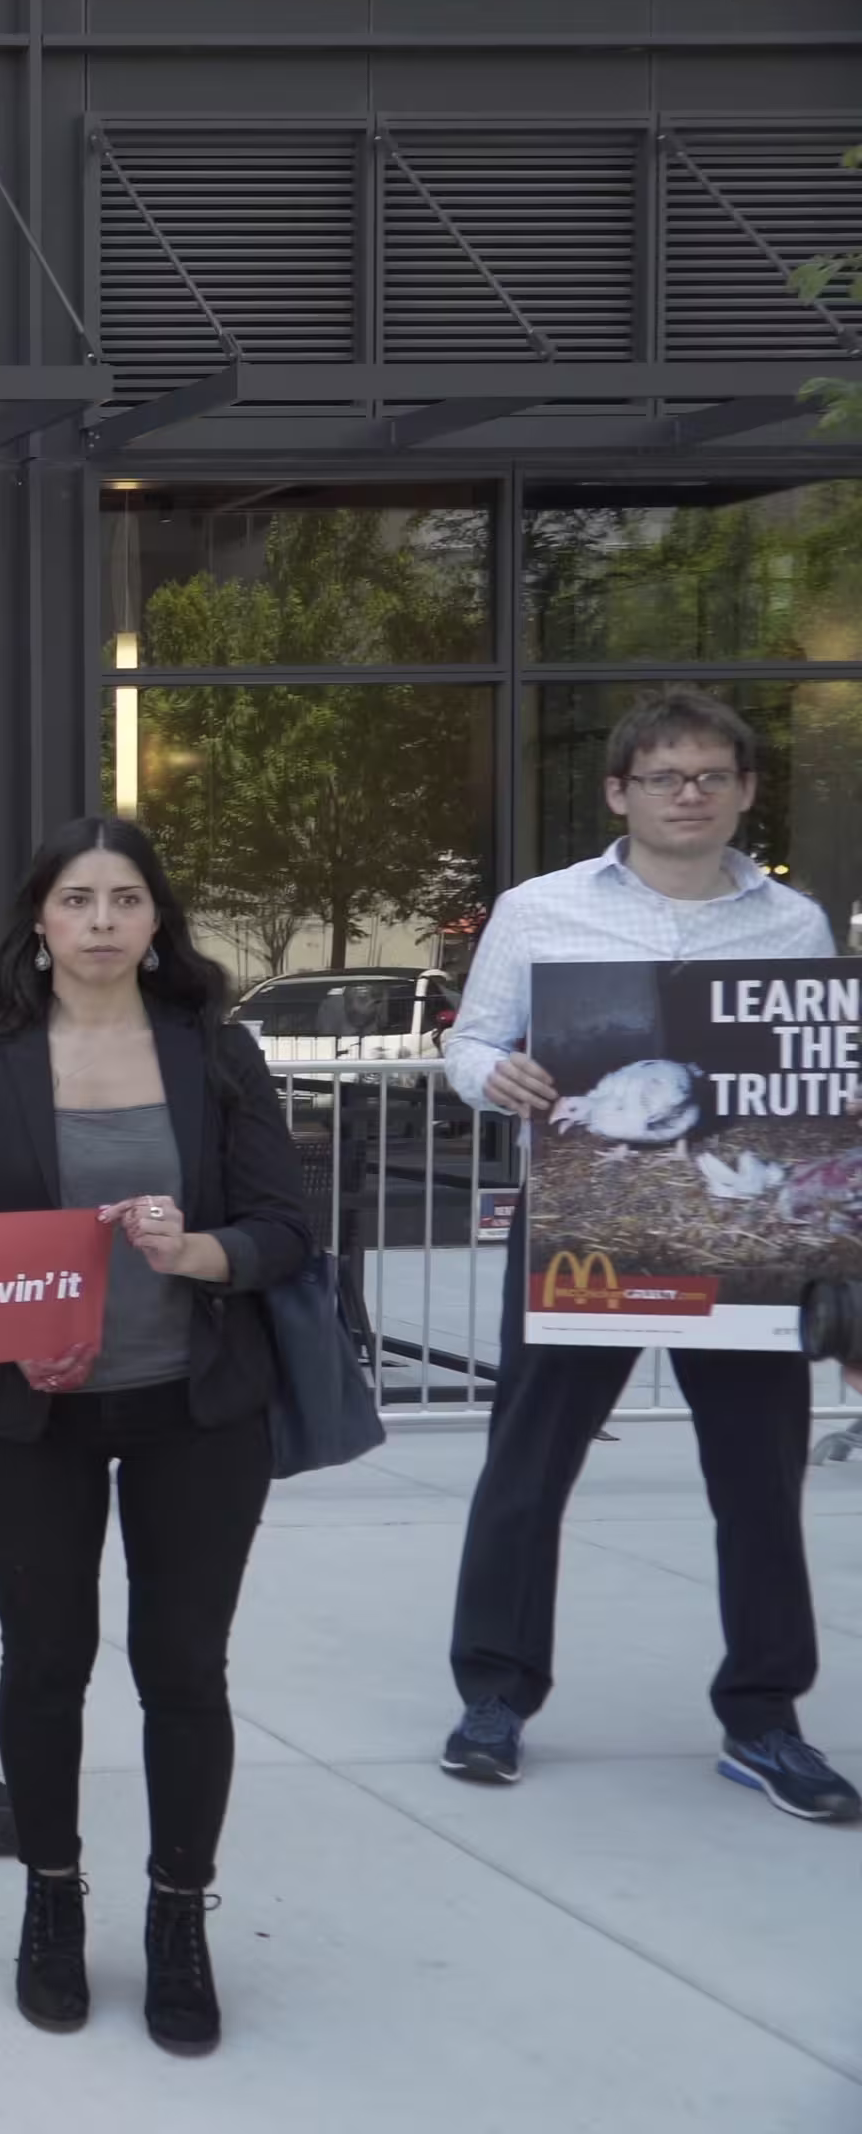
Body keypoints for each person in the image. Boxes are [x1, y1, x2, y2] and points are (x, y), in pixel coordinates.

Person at [0, 817, 312, 2054]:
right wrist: (2, 1330)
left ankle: (179, 1917)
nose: (99, 923)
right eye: (76, 900)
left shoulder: (216, 1051)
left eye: (123, 901)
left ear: (155, 922)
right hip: (40, 1416)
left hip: (199, 1407)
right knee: (46, 1665)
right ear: (38, 920)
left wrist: (204, 1252)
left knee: (184, 1670)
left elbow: (287, 1226)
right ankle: (51, 1903)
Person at [437, 689, 856, 1823]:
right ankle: (496, 1697)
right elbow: (469, 1043)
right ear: (619, 792)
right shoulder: (541, 910)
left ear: (747, 792)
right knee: (529, 1465)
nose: (690, 794)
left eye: (712, 775)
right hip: (583, 1231)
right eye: (666, 777)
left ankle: (764, 1717)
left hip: (750, 1247)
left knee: (760, 1479)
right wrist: (497, 1077)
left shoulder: (793, 924)